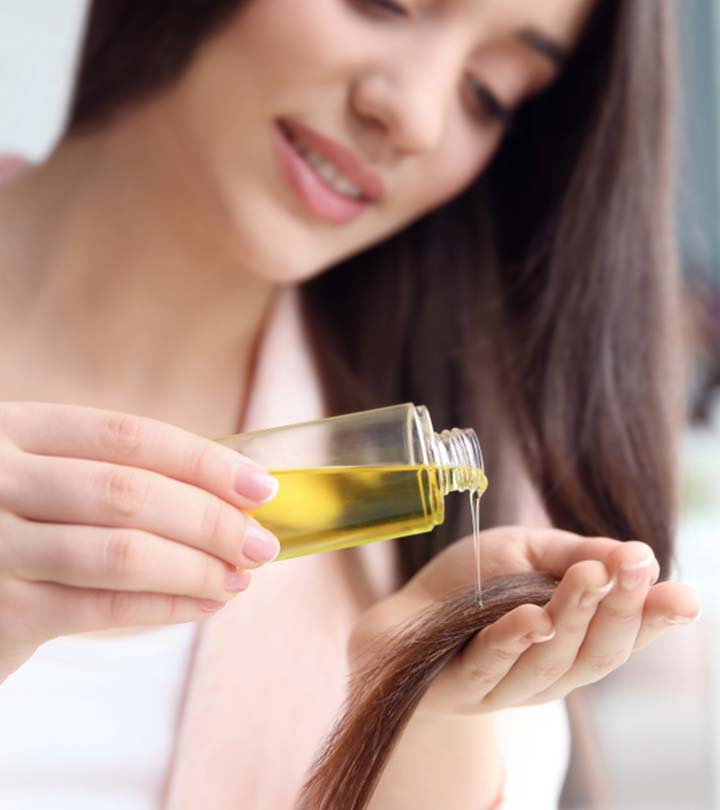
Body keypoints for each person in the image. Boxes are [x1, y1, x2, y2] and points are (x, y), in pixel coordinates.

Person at [0, 1, 701, 808]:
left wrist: (416, 717)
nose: (415, 117)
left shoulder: (467, 539)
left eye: (488, 92)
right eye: (383, 3)